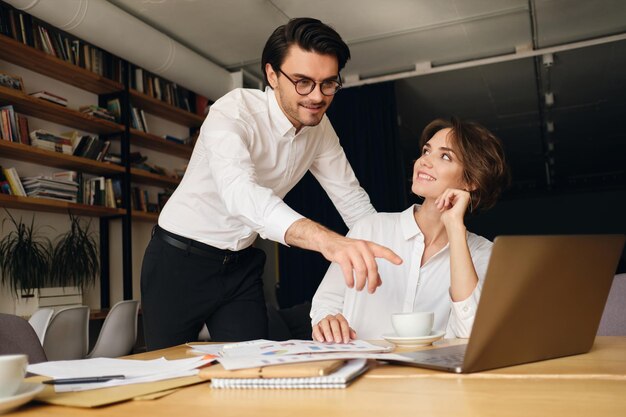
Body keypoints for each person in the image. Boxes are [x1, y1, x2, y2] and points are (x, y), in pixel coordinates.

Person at [141, 18, 402, 350]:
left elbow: (352, 200)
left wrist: (397, 253)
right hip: (177, 261)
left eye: (328, 84)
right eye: (303, 82)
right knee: (168, 374)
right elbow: (242, 195)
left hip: (239, 266)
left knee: (252, 369)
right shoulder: (232, 113)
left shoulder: (320, 130)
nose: (317, 97)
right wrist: (328, 241)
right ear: (272, 75)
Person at [310, 117, 510, 343]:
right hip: (362, 370)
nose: (425, 161)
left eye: (445, 156)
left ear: (471, 181)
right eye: (426, 151)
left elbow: (472, 333)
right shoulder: (370, 228)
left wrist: (455, 229)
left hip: (432, 377)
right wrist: (327, 319)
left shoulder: (484, 253)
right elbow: (326, 301)